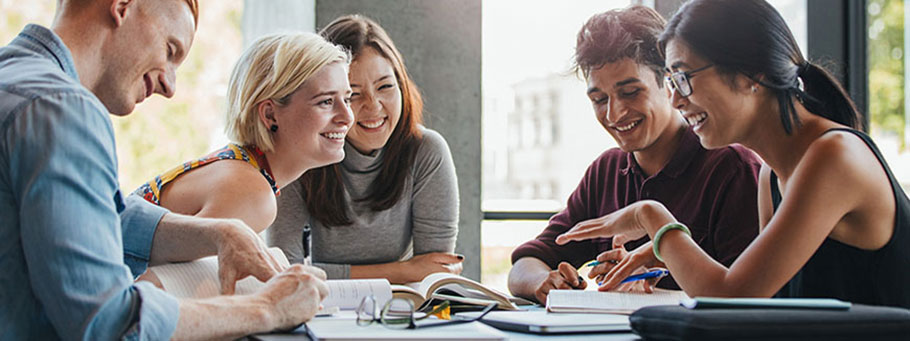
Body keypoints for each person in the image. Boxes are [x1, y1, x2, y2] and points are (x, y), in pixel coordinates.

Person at [0, 0, 328, 339]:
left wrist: (220, 233)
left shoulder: (15, 81)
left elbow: (91, 218)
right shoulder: (62, 109)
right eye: (170, 50)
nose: (170, 86)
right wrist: (268, 307)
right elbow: (110, 324)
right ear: (122, 6)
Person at [557, 0, 910, 308]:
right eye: (672, 82)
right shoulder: (772, 174)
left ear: (749, 75)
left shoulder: (833, 156)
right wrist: (666, 257)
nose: (677, 100)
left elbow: (732, 298)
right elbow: (761, 304)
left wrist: (652, 218)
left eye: (683, 78)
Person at [508, 5, 762, 305]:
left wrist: (662, 266)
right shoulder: (606, 171)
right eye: (599, 99)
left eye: (630, 93)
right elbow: (525, 263)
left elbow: (746, 298)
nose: (614, 113)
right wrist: (543, 281)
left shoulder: (732, 168)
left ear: (669, 83)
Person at [268, 15, 463, 284]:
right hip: (320, 309)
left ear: (402, 86)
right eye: (353, 95)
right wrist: (402, 270)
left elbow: (434, 271)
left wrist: (412, 273)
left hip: (401, 309)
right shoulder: (301, 152)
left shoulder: (426, 151)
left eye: (385, 86)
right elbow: (285, 270)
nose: (373, 106)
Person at [133, 32, 354, 234]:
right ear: (270, 115)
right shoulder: (251, 194)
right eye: (326, 101)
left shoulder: (242, 168)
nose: (347, 117)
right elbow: (157, 276)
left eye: (347, 99)